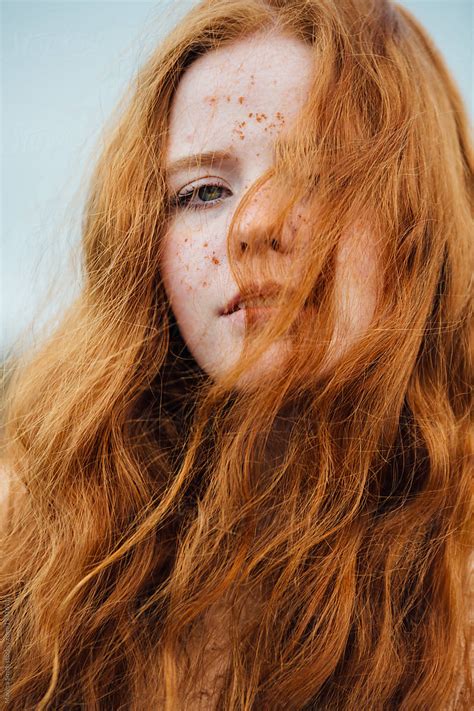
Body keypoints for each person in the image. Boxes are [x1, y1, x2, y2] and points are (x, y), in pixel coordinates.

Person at [1, 0, 472, 708]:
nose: (253, 229)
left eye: (320, 179)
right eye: (202, 191)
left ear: (420, 222)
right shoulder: (36, 539)